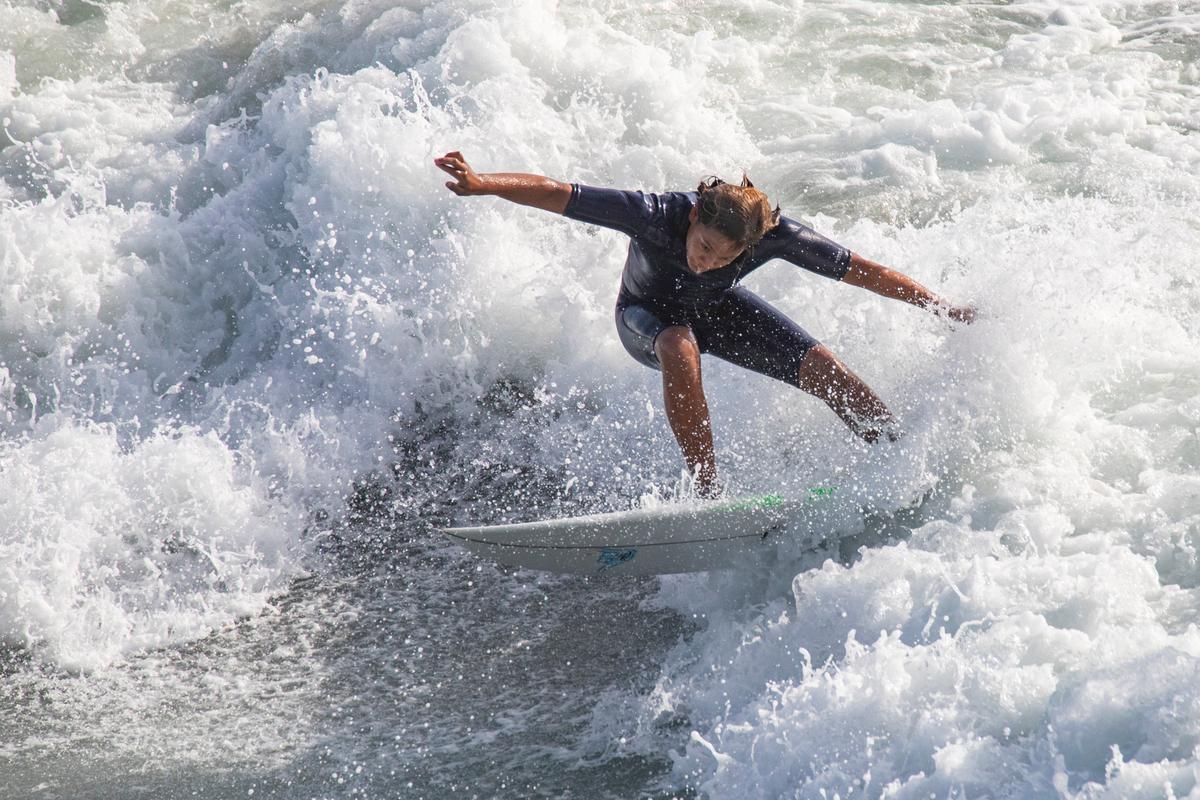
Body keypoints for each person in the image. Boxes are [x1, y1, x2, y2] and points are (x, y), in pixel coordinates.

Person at [434, 151, 975, 497]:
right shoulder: (655, 212)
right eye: (704, 248)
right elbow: (558, 191)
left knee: (824, 368)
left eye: (724, 258)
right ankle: (709, 491)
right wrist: (484, 183)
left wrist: (942, 308)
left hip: (717, 314)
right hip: (645, 318)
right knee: (677, 342)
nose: (707, 261)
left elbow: (863, 271)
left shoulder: (774, 235)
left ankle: (898, 456)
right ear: (695, 217)